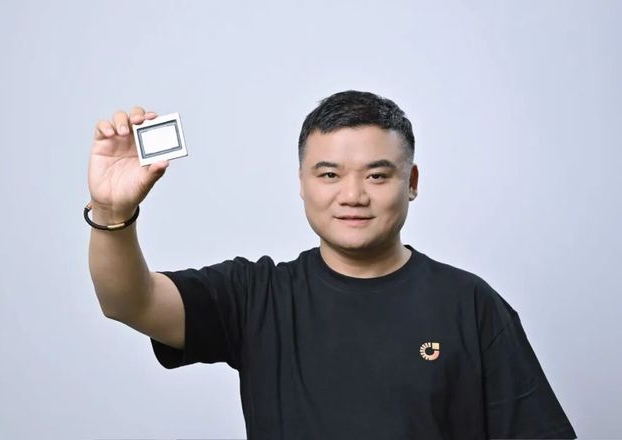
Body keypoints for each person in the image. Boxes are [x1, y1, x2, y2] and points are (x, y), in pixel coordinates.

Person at [87, 90, 577, 439]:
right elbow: (130, 302)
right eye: (329, 175)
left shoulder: (470, 304)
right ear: (302, 183)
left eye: (377, 176)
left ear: (412, 183)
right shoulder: (257, 295)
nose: (353, 195)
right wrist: (111, 211)